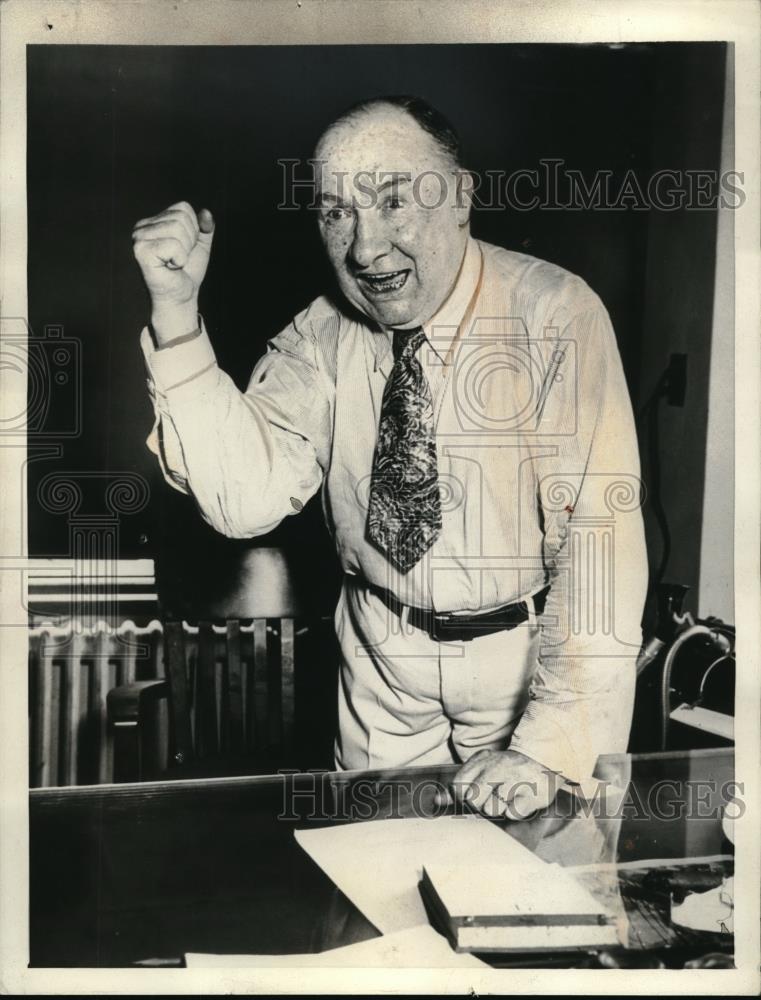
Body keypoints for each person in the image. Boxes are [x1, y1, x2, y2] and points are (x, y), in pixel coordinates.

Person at [132, 95, 648, 819]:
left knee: (535, 897)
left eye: (393, 201)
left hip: (526, 660)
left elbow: (601, 548)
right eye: (336, 212)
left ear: (461, 197)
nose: (366, 249)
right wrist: (177, 311)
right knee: (378, 892)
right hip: (379, 655)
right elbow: (243, 500)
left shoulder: (554, 315)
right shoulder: (320, 335)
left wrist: (549, 746)